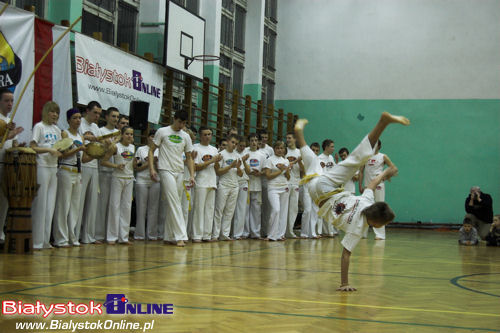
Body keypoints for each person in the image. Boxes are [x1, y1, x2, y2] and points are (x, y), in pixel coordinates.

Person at [295, 111, 409, 291]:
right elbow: (345, 255)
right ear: (376, 223)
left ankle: (382, 122)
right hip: (317, 192)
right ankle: (298, 131)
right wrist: (344, 283)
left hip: (326, 184)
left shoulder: (366, 202)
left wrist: (387, 172)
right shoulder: (359, 228)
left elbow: (372, 182)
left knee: (355, 159)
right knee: (313, 160)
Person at [149, 110, 195, 247]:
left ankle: (169, 236)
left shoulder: (186, 136)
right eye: (179, 121)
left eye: (184, 123)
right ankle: (181, 235)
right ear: (174, 119)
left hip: (179, 171)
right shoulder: (162, 132)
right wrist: (152, 168)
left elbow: (189, 157)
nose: (181, 125)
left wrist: (192, 175)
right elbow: (151, 151)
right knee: (174, 201)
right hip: (165, 169)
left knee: (174, 203)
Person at [52, 108, 88, 247]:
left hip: (78, 172)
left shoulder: (81, 136)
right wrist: (78, 149)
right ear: (68, 120)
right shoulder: (65, 133)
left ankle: (72, 236)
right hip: (66, 170)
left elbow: (84, 158)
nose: (78, 120)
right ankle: (60, 238)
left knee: (75, 206)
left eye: (79, 117)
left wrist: (96, 153)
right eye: (74, 118)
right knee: (63, 205)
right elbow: (63, 154)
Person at [30, 101, 62, 250]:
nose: (55, 115)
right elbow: (33, 147)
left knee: (50, 206)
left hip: (53, 167)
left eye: (57, 112)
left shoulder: (57, 129)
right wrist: (48, 150)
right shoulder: (39, 126)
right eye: (52, 111)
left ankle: (45, 241)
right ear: (46, 112)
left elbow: (60, 147)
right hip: (42, 166)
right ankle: (36, 241)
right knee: (41, 205)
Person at [101, 126, 136, 245]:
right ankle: (112, 237)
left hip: (129, 179)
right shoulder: (116, 147)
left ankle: (124, 237)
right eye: (127, 134)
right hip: (117, 178)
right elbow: (103, 161)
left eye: (131, 134)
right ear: (122, 135)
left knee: (126, 208)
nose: (129, 136)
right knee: (114, 206)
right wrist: (116, 166)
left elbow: (132, 165)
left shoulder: (133, 147)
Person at [77, 101, 102, 244]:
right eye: (95, 113)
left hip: (94, 165)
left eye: (99, 113)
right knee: (79, 202)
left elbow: (98, 145)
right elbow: (76, 140)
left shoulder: (96, 127)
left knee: (92, 203)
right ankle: (75, 235)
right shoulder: (80, 124)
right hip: (82, 164)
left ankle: (89, 236)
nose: (97, 116)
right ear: (87, 111)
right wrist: (86, 138)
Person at [0, 88, 23, 245]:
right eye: (6, 100)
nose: (10, 104)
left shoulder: (10, 122)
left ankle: (1, 232)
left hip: (7, 165)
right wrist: (9, 135)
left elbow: (12, 143)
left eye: (12, 101)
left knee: (4, 201)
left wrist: (18, 146)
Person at [359, 140, 395, 240]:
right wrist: (360, 186)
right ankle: (363, 232)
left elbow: (392, 168)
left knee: (380, 208)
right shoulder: (365, 157)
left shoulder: (383, 156)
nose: (373, 146)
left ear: (379, 146)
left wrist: (385, 177)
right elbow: (361, 172)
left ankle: (380, 235)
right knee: (365, 207)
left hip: (379, 185)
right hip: (367, 186)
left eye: (375, 144)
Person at [95, 107, 120, 242]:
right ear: (107, 117)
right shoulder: (101, 131)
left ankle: (110, 235)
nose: (115, 119)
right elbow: (100, 150)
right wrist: (108, 145)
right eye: (113, 116)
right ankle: (99, 234)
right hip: (103, 170)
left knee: (114, 205)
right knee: (102, 204)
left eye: (117, 117)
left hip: (116, 173)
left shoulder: (119, 133)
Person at [192, 126, 220, 242]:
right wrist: (212, 161)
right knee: (199, 209)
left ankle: (207, 235)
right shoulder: (195, 148)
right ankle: (197, 235)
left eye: (209, 134)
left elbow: (216, 168)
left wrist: (217, 162)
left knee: (209, 210)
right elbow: (195, 167)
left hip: (212, 182)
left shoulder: (214, 149)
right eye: (205, 134)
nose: (207, 137)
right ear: (200, 135)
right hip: (200, 182)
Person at [213, 134, 244, 241]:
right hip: (223, 185)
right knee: (219, 210)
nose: (234, 145)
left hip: (235, 185)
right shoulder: (221, 154)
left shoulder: (238, 156)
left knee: (229, 211)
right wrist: (231, 166)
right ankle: (215, 234)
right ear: (228, 141)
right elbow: (218, 172)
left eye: (236, 143)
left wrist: (238, 168)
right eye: (233, 142)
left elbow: (240, 174)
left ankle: (224, 234)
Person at [134, 130, 160, 241]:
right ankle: (139, 234)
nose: (153, 139)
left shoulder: (160, 150)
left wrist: (156, 163)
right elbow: (137, 167)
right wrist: (149, 162)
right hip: (142, 181)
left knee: (153, 209)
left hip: (156, 181)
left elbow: (161, 169)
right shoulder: (141, 150)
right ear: (148, 137)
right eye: (151, 136)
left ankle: (152, 234)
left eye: (155, 137)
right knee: (141, 208)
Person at [263, 141, 291, 241]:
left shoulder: (286, 161)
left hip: (285, 187)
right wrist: (280, 170)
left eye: (281, 148)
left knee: (283, 212)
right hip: (273, 188)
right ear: (274, 149)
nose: (280, 150)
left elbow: (288, 177)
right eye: (278, 148)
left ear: (284, 149)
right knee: (276, 210)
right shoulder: (269, 160)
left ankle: (280, 234)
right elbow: (268, 176)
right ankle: (271, 235)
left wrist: (286, 170)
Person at [244, 133, 266, 239]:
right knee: (245, 209)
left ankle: (255, 233)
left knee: (256, 210)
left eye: (256, 140)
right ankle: (245, 232)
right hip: (246, 184)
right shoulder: (245, 153)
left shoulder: (262, 155)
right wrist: (250, 172)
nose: (254, 142)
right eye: (252, 140)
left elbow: (266, 170)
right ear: (249, 141)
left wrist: (260, 173)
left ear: (258, 142)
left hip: (257, 185)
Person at [300, 142, 321, 239]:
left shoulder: (319, 160)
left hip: (316, 185)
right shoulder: (305, 159)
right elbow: (302, 172)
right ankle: (304, 233)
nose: (315, 152)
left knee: (315, 210)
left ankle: (312, 232)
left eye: (317, 150)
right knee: (307, 210)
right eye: (313, 150)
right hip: (307, 184)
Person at [318, 139, 338, 237]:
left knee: (330, 208)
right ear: (326, 147)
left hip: (331, 185)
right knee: (322, 208)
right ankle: (320, 231)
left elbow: (333, 171)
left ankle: (330, 231)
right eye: (332, 146)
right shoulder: (319, 158)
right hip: (323, 185)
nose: (333, 148)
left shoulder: (331, 157)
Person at [285, 132, 303, 238]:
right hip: (285, 182)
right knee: (284, 208)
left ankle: (290, 230)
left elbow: (303, 171)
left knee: (293, 208)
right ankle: (282, 231)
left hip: (295, 183)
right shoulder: (284, 151)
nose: (288, 140)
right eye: (287, 138)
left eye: (290, 138)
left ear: (295, 139)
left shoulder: (299, 152)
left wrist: (299, 162)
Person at [233, 136, 250, 240]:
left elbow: (248, 171)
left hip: (243, 182)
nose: (242, 147)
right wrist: (241, 159)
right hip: (233, 183)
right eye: (240, 145)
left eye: (244, 146)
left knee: (242, 208)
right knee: (230, 209)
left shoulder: (245, 154)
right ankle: (227, 232)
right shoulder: (232, 154)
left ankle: (238, 233)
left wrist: (244, 161)